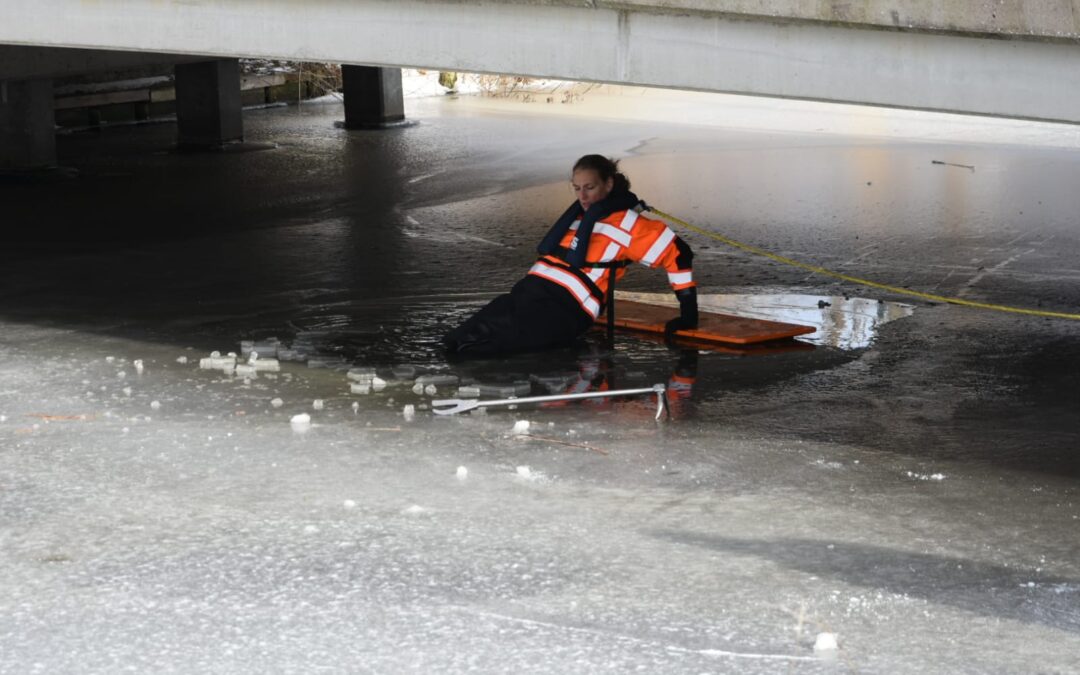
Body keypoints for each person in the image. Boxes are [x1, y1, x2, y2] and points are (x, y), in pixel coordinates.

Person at [443, 154, 698, 356]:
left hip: (565, 308)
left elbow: (679, 254)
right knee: (457, 339)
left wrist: (688, 314)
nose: (582, 196)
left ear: (609, 184)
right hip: (527, 292)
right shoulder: (579, 214)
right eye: (577, 188)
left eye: (589, 187)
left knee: (479, 347)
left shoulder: (632, 225)